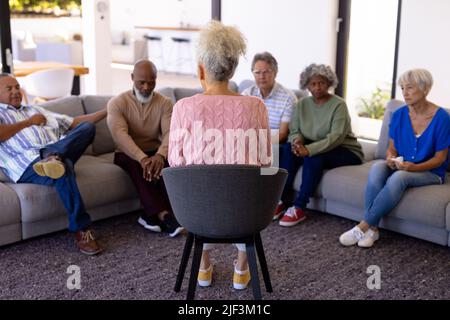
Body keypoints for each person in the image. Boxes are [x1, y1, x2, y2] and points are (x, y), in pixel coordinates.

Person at [168, 21, 271, 290]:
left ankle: (202, 268)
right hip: (245, 213)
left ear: (201, 68)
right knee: (246, 187)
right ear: (234, 68)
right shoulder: (256, 107)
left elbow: (176, 165)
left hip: (197, 215)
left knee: (194, 183)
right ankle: (240, 270)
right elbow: (266, 162)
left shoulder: (183, 108)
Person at [340, 69, 450, 248]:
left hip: (431, 172)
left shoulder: (442, 118)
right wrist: (391, 157)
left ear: (425, 89)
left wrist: (412, 168)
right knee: (377, 168)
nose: (404, 93)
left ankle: (362, 226)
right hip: (402, 165)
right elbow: (392, 147)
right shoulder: (398, 115)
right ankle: (373, 230)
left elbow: (440, 159)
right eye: (402, 88)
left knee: (399, 177)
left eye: (410, 88)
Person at [0, 73, 107, 255]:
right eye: (9, 89)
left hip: (54, 152)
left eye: (17, 87)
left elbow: (74, 123)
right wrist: (28, 123)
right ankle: (82, 229)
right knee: (62, 169)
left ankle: (53, 156)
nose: (16, 91)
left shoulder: (35, 110)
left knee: (87, 128)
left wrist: (108, 110)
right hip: (26, 163)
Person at [276, 63, 364, 226]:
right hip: (315, 145)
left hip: (345, 150)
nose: (317, 87)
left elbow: (336, 137)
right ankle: (281, 199)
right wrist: (297, 142)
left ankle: (299, 207)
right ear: (306, 85)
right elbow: (294, 130)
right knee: (287, 149)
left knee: (314, 157)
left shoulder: (338, 105)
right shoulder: (302, 104)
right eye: (313, 83)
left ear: (329, 83)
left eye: (322, 83)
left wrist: (308, 150)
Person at [107, 59, 184, 238]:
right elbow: (120, 135)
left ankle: (151, 216)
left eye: (151, 82)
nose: (146, 87)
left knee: (169, 165)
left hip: (154, 151)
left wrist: (160, 155)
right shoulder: (117, 103)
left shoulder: (165, 103)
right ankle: (164, 216)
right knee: (139, 167)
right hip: (126, 153)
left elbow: (170, 133)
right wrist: (142, 158)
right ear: (132, 78)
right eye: (141, 82)